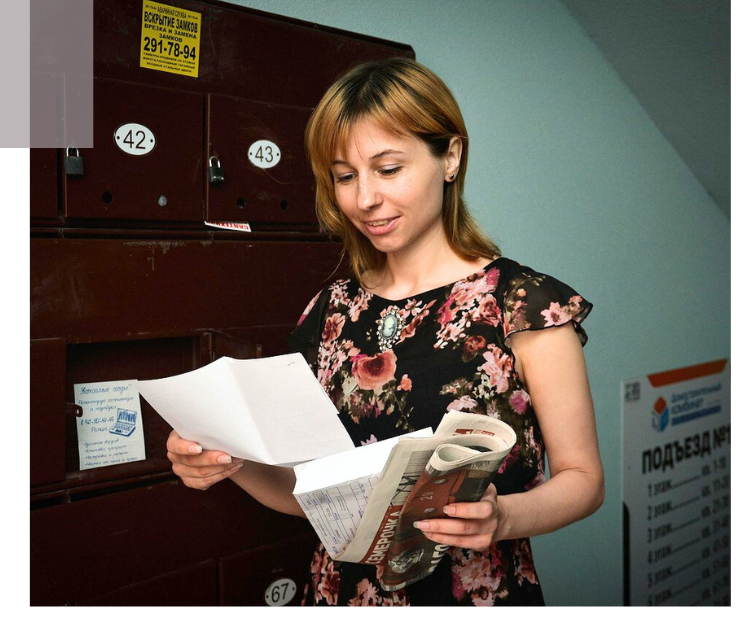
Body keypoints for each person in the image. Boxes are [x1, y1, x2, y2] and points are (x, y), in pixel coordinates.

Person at [167, 57, 605, 606]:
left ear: (451, 156)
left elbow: (584, 478)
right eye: (345, 176)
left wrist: (502, 516)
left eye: (388, 169)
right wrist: (228, 461)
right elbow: (309, 495)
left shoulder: (526, 305)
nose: (364, 199)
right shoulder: (331, 310)